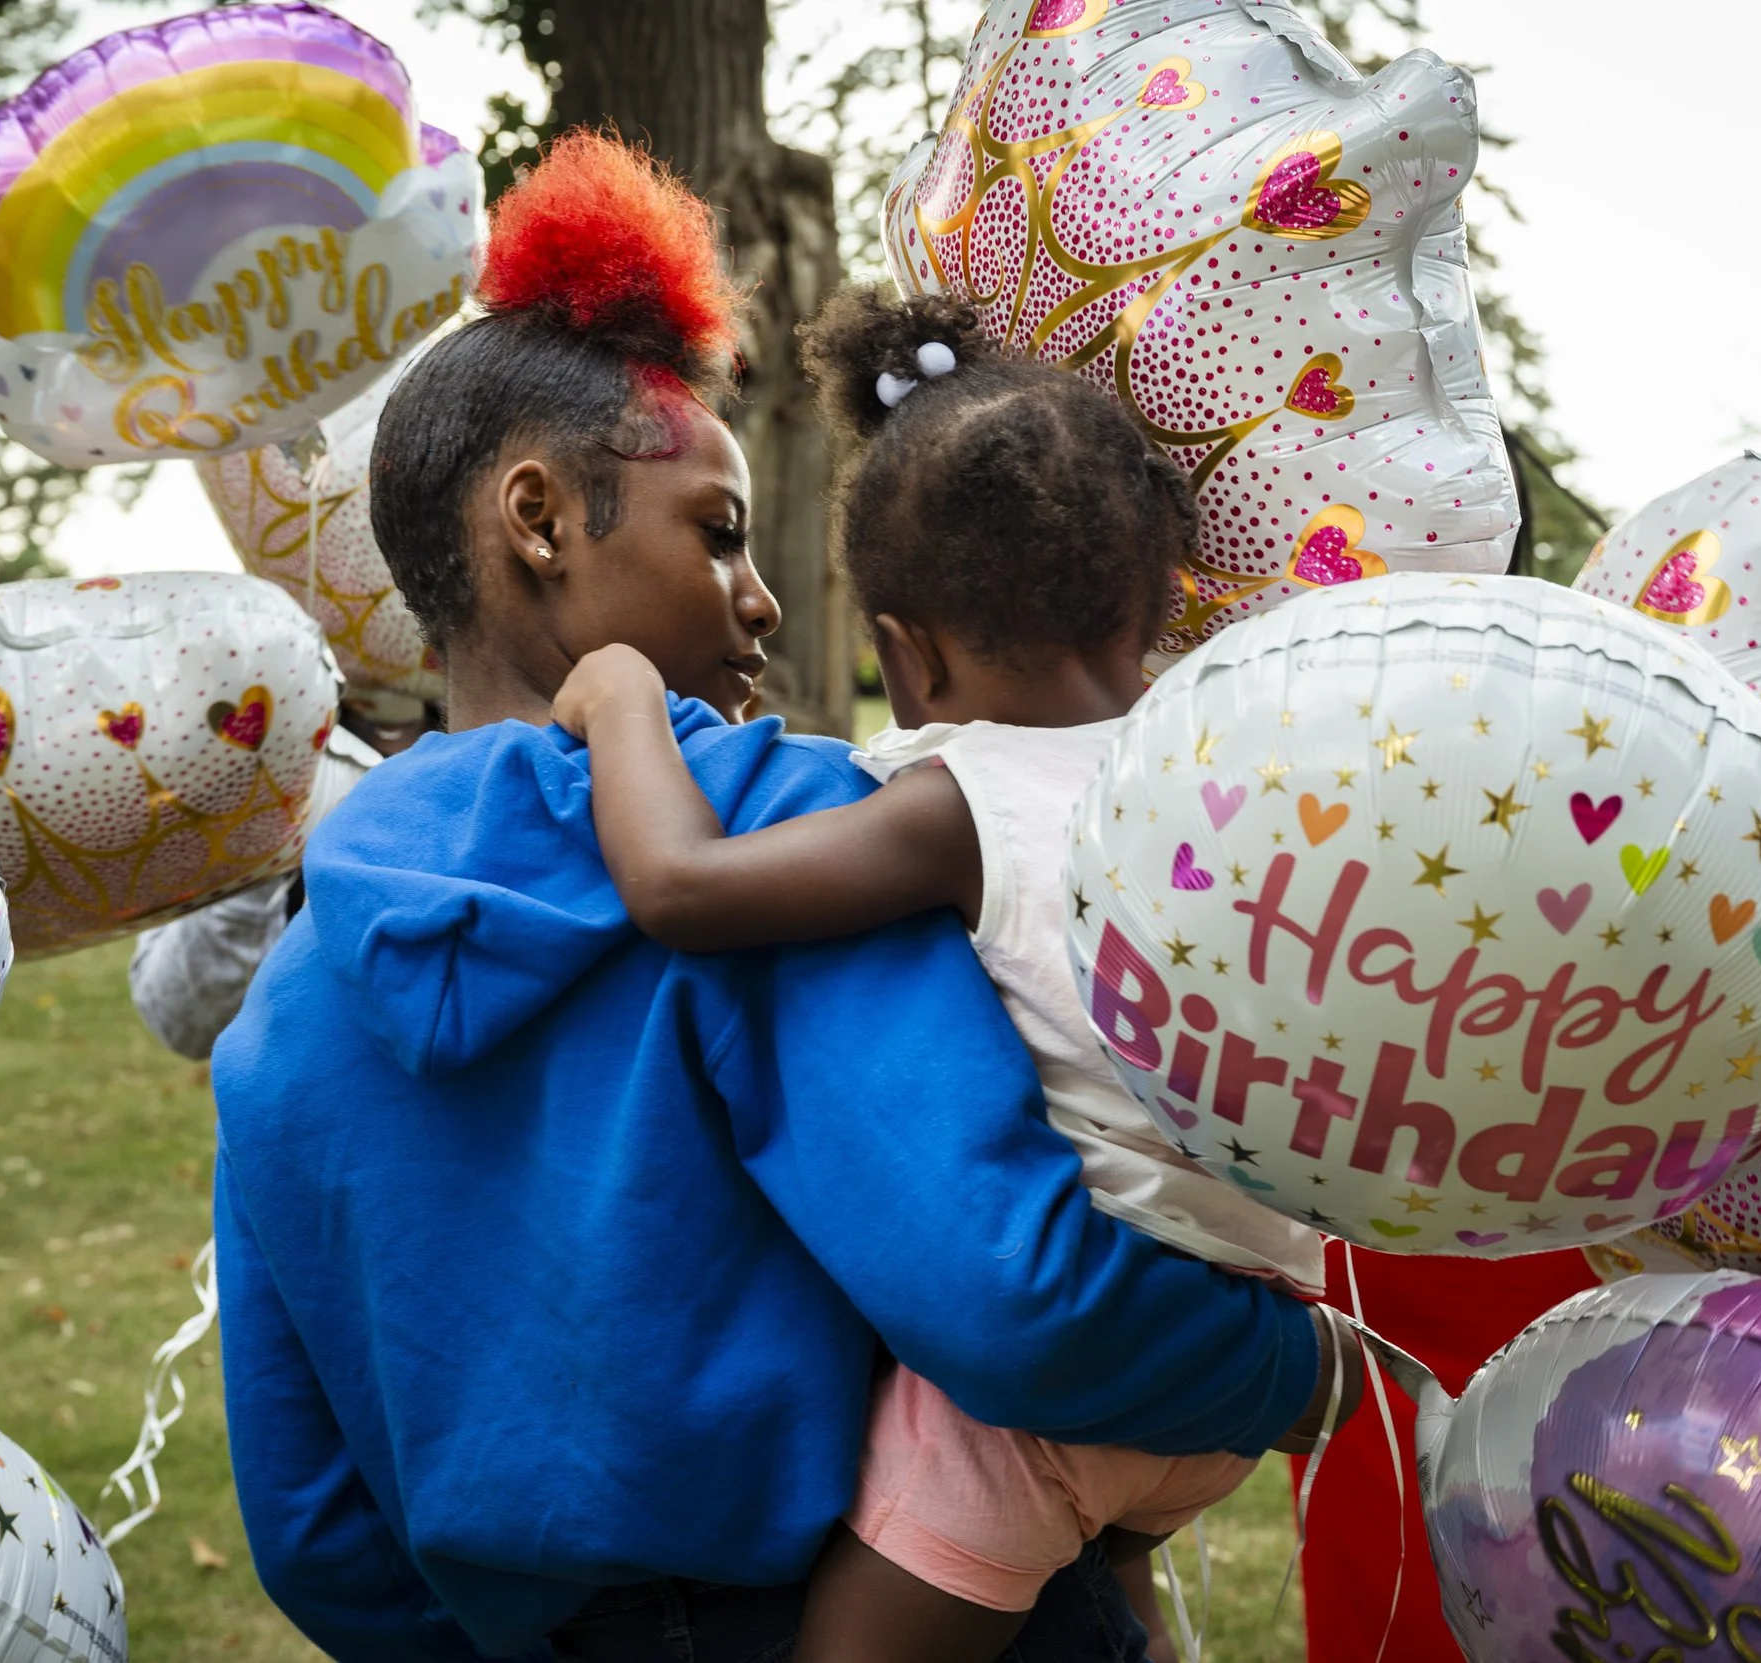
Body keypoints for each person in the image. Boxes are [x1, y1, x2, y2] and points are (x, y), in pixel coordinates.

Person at [209, 131, 1340, 1663]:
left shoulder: (286, 997)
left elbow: (315, 1530)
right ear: (538, 519)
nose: (758, 595)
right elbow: (1014, 1299)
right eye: (718, 532)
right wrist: (1305, 1370)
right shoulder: (780, 826)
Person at [550, 286, 1357, 1663]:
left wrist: (618, 692)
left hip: (1041, 1414)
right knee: (1103, 1611)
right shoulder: (1233, 781)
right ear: (1155, 596)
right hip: (1242, 1356)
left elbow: (684, 888)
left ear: (905, 650)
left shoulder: (952, 803)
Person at [127, 697, 432, 1060]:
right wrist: (258, 826)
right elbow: (184, 1020)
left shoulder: (487, 730)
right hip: (296, 1095)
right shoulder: (226, 732)